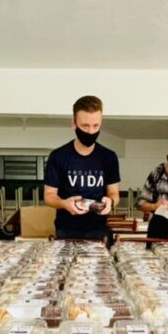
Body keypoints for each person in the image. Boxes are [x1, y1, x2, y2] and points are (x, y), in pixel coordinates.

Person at [43, 95, 121, 241]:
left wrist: (110, 202)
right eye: (85, 126)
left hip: (98, 230)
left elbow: (114, 193)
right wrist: (64, 203)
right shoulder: (58, 156)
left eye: (96, 126)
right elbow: (49, 196)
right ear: (74, 123)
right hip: (66, 230)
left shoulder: (109, 157)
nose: (91, 132)